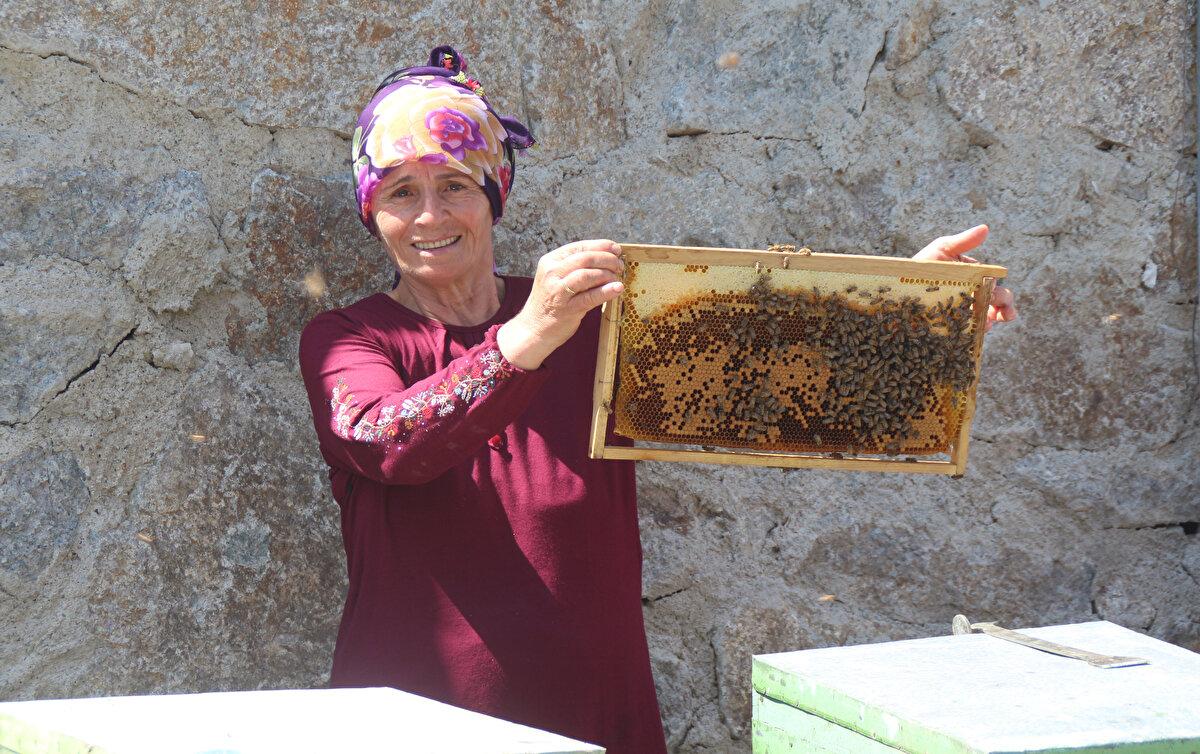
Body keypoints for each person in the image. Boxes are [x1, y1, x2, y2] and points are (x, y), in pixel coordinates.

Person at [298, 45, 1016, 754]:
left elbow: (770, 372)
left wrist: (918, 311)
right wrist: (529, 334)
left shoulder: (590, 319)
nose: (430, 214)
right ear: (373, 212)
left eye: (454, 183)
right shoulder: (350, 337)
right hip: (408, 730)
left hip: (594, 717)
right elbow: (385, 441)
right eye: (400, 192)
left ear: (493, 194)